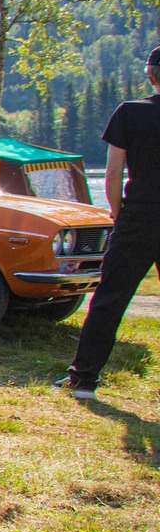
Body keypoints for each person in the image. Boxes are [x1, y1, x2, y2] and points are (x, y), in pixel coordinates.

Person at [58, 46, 160, 398]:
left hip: (139, 217)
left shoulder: (130, 112)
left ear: (149, 75)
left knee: (110, 298)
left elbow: (113, 173)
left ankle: (83, 379)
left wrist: (117, 212)